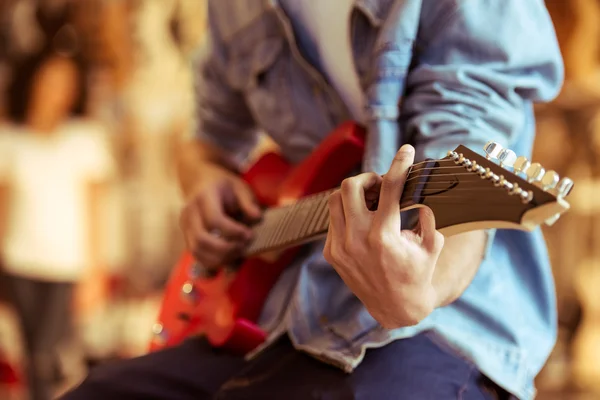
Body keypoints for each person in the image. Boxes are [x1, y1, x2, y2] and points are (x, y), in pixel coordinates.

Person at [61, 0, 564, 399]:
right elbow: (208, 140)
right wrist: (202, 182)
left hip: (449, 321)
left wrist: (425, 289)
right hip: (280, 314)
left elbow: (466, 139)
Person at [0, 55, 115, 400]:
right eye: (51, 81)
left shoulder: (86, 138)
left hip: (66, 264)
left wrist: (96, 269)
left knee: (50, 354)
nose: (57, 92)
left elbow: (96, 210)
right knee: (31, 353)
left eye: (66, 84)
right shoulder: (10, 138)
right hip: (20, 261)